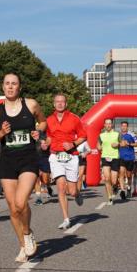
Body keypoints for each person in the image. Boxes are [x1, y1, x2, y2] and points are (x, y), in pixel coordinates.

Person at [0, 73, 46, 262]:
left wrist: (39, 131)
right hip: (7, 161)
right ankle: (23, 245)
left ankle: (28, 233)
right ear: (2, 87)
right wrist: (2, 133)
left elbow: (43, 121)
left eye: (14, 84)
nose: (10, 87)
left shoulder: (31, 105)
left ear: (19, 87)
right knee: (13, 209)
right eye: (7, 84)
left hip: (28, 158)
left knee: (21, 203)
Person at [44, 93, 86, 229]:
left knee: (72, 191)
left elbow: (83, 136)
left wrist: (73, 144)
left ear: (66, 104)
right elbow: (49, 137)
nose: (60, 104)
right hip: (55, 156)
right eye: (57, 102)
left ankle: (77, 194)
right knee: (61, 186)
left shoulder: (74, 118)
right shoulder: (49, 119)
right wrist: (45, 144)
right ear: (54, 104)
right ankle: (66, 219)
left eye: (62, 102)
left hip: (71, 156)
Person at [98, 119, 120, 205]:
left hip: (115, 157)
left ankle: (115, 187)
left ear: (112, 125)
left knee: (114, 181)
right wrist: (99, 147)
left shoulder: (117, 134)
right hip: (105, 157)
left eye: (109, 123)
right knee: (107, 179)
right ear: (104, 125)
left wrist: (117, 144)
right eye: (106, 124)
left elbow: (122, 143)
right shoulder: (101, 135)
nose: (108, 125)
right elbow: (98, 145)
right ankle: (110, 198)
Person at [117, 121, 137, 200]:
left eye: (125, 126)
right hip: (121, 157)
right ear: (120, 127)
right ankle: (122, 190)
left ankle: (129, 188)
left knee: (129, 175)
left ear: (127, 127)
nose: (123, 127)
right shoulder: (118, 135)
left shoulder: (132, 135)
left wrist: (129, 144)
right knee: (121, 174)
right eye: (122, 126)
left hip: (130, 157)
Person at [34, 124, 52, 206]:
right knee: (36, 178)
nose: (37, 128)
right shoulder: (31, 136)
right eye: (36, 126)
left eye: (38, 126)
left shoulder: (45, 136)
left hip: (44, 158)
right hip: (33, 159)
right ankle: (38, 198)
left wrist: (45, 144)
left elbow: (49, 144)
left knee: (45, 179)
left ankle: (48, 187)